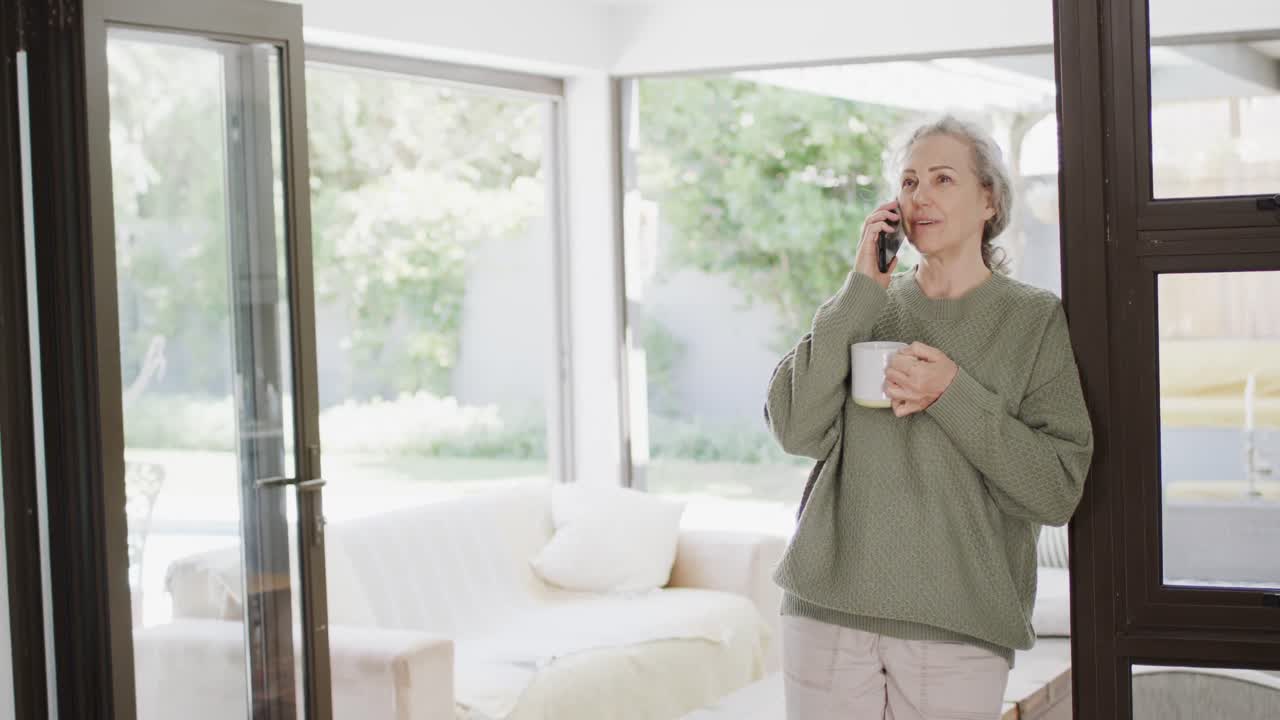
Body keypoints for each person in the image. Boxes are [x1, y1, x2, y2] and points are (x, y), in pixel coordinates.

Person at [764, 115, 1095, 719]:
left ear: (989, 198)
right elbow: (792, 425)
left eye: (943, 179)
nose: (920, 196)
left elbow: (1056, 490)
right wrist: (860, 288)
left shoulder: (1032, 320)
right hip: (827, 610)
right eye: (909, 181)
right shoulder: (865, 305)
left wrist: (952, 393)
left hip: (958, 623)